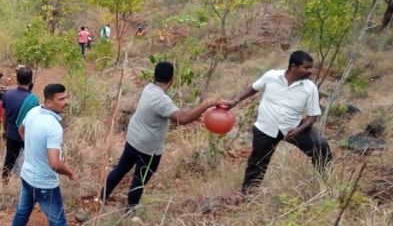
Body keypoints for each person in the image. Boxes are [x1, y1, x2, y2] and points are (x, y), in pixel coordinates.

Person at [101, 61, 228, 211]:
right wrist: (207, 104)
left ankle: (101, 196)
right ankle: (130, 210)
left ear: (155, 75)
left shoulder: (149, 88)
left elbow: (170, 113)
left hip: (133, 137)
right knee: (139, 179)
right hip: (148, 148)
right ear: (172, 79)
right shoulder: (162, 100)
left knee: (121, 168)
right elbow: (183, 118)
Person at [228, 50, 333, 194]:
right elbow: (253, 88)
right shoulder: (271, 76)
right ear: (293, 66)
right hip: (266, 128)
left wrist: (299, 130)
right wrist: (235, 101)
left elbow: (312, 117)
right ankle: (248, 194)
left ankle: (325, 185)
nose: (311, 71)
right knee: (257, 162)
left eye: (311, 67)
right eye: (306, 67)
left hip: (293, 128)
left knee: (320, 147)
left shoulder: (310, 88)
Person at [6, 83, 77, 226]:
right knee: (59, 223)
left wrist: (32, 148)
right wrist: (70, 173)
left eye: (66, 97)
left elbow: (21, 130)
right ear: (48, 102)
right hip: (45, 184)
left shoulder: (33, 112)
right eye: (61, 99)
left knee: (22, 213)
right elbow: (54, 163)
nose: (66, 102)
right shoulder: (54, 127)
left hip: (27, 176)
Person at [1, 66, 40, 182]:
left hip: (11, 134)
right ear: (31, 80)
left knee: (8, 162)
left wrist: (5, 130)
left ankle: (5, 184)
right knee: (30, 160)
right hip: (26, 136)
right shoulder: (33, 99)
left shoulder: (7, 94)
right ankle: (27, 183)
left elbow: (4, 115)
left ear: (17, 80)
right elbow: (34, 121)